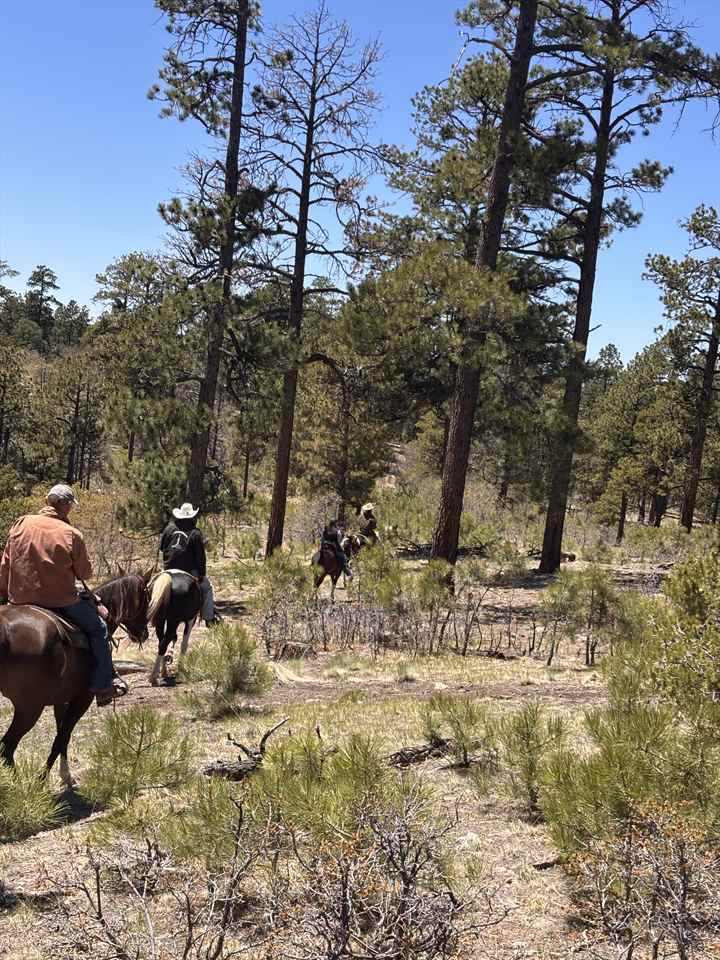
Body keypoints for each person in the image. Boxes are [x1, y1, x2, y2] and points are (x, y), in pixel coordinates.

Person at [0, 484, 125, 707]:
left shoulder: (20, 523)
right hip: (59, 601)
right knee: (99, 629)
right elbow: (85, 573)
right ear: (66, 506)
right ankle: (103, 685)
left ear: (47, 502)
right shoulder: (71, 534)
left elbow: (5, 564)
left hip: (19, 598)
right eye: (70, 506)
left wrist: (5, 591)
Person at [159, 502, 221, 627]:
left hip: (168, 569)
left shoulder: (169, 528)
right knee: (207, 588)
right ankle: (209, 618)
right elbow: (200, 558)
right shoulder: (195, 532)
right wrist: (201, 575)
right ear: (192, 516)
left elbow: (162, 548)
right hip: (188, 571)